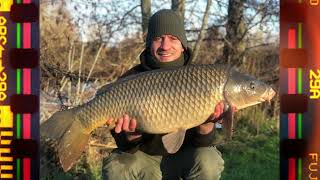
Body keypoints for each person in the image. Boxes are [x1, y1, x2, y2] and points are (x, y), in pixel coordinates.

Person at [102, 9, 226, 180]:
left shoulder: (203, 78)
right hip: (145, 157)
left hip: (184, 156)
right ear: (148, 44)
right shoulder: (130, 80)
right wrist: (131, 134)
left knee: (209, 161)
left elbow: (205, 144)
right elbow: (124, 145)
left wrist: (206, 126)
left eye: (173, 38)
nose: (165, 46)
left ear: (183, 44)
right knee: (117, 167)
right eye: (158, 38)